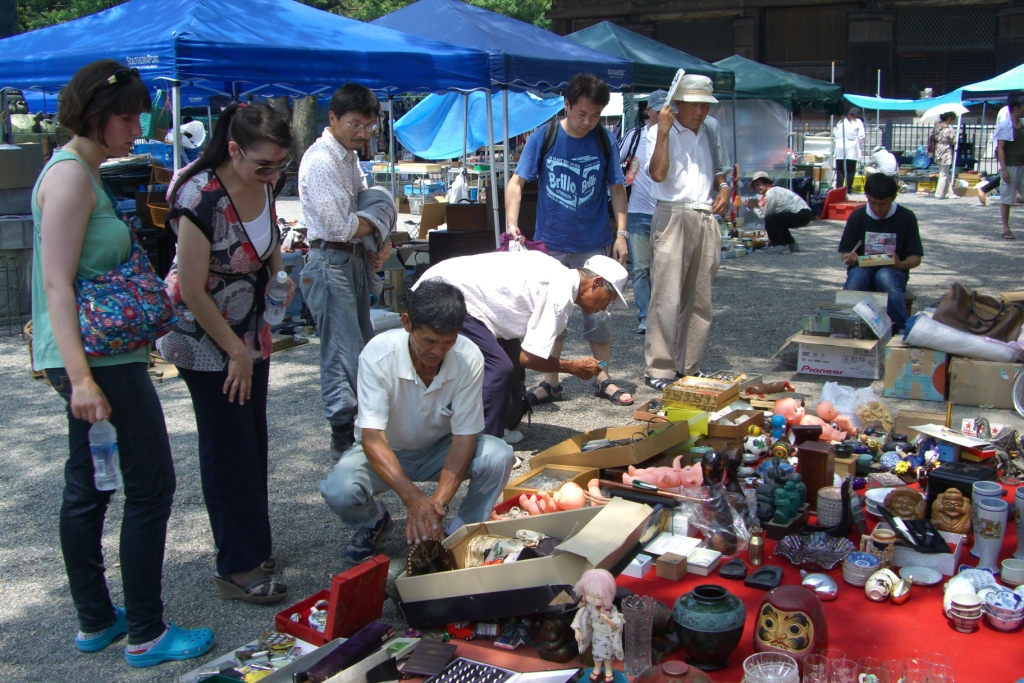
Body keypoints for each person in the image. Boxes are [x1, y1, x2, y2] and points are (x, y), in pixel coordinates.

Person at [30, 59, 212, 667]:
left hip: (96, 358)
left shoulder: (80, 171)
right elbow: (55, 284)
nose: (139, 130)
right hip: (98, 362)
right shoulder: (70, 178)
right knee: (150, 485)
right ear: (97, 116)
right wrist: (81, 378)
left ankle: (97, 620)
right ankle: (147, 633)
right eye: (129, 119)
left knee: (89, 484)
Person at [157, 102, 295, 604]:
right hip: (205, 336)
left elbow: (269, 238)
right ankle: (236, 566)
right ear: (233, 150)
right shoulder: (199, 196)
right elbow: (192, 288)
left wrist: (279, 277)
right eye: (263, 165)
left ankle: (252, 543)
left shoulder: (266, 182)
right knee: (228, 444)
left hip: (250, 327)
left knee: (252, 439)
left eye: (280, 165)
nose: (272, 175)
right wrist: (234, 351)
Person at [320, 280, 515, 565]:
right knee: (339, 489)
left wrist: (436, 507)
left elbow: (464, 437)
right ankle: (373, 521)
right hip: (387, 450)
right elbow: (372, 437)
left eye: (448, 342)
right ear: (407, 323)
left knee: (499, 455)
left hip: (439, 449)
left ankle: (462, 529)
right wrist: (413, 499)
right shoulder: (378, 354)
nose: (438, 351)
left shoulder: (468, 356)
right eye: (429, 341)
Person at [505, 73, 632, 407]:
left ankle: (602, 376)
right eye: (581, 113)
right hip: (552, 243)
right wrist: (512, 224)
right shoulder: (544, 136)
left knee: (599, 312)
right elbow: (516, 182)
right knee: (551, 313)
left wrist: (621, 233)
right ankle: (551, 383)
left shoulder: (604, 139)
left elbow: (617, 188)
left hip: (594, 243)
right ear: (566, 105)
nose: (587, 122)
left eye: (595, 115)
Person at [416, 251, 626, 439]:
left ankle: (498, 426)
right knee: (499, 369)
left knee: (509, 364)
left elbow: (522, 355)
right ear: (596, 283)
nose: (606, 307)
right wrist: (573, 367)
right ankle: (484, 445)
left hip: (449, 287)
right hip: (445, 293)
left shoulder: (558, 273)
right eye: (610, 298)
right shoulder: (560, 294)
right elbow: (529, 358)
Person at [299, 83, 392, 462]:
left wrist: (377, 237)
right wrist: (379, 222)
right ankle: (343, 436)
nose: (362, 133)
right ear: (333, 118)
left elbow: (366, 203)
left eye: (369, 126)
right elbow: (340, 226)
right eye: (355, 124)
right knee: (342, 350)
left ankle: (359, 432)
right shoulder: (322, 160)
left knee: (360, 347)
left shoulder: (348, 157)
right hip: (330, 261)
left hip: (349, 259)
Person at [643, 74, 729, 389]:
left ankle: (689, 365)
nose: (700, 112)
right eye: (694, 105)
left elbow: (719, 170)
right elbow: (658, 173)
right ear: (678, 103)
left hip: (705, 214)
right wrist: (664, 131)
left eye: (705, 106)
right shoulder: (657, 132)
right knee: (666, 295)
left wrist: (724, 186)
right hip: (672, 212)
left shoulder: (709, 130)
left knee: (700, 298)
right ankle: (659, 368)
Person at [837, 173, 923, 333]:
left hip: (893, 273)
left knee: (884, 275)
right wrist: (849, 257)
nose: (877, 208)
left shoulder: (906, 217)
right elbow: (845, 252)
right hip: (862, 269)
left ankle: (900, 327)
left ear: (893, 198)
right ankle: (843, 324)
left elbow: (916, 257)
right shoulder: (858, 216)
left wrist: (901, 264)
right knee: (858, 276)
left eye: (883, 204)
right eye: (872, 202)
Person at [745, 171, 811, 253]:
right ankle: (791, 244)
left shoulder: (771, 193)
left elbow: (764, 216)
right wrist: (755, 205)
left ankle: (779, 245)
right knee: (778, 221)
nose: (757, 188)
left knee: (770, 219)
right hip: (804, 213)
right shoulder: (774, 191)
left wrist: (753, 207)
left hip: (801, 214)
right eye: (755, 186)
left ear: (767, 183)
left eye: (759, 184)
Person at [993, 91, 1024, 239]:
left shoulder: (1023, 124)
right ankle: (1006, 228)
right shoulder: (1004, 126)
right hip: (1011, 166)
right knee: (1007, 198)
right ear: (1016, 108)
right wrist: (1004, 170)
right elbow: (1000, 148)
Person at [977, 104, 1011, 206]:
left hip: (1008, 146)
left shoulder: (1005, 110)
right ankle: (984, 189)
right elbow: (1005, 130)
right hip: (1007, 146)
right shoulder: (1007, 112)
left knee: (1013, 173)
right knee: (1010, 173)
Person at [833, 106, 864, 193]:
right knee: (850, 170)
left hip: (840, 148)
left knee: (840, 170)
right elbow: (861, 136)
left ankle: (839, 188)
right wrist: (859, 146)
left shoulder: (841, 122)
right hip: (852, 149)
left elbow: (836, 134)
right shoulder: (858, 122)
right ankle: (848, 189)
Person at [932, 112, 958, 200]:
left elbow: (934, 136)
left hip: (938, 149)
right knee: (943, 174)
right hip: (945, 150)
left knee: (945, 172)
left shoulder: (937, 126)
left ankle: (950, 193)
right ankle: (939, 193)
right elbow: (953, 140)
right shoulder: (949, 128)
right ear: (949, 118)